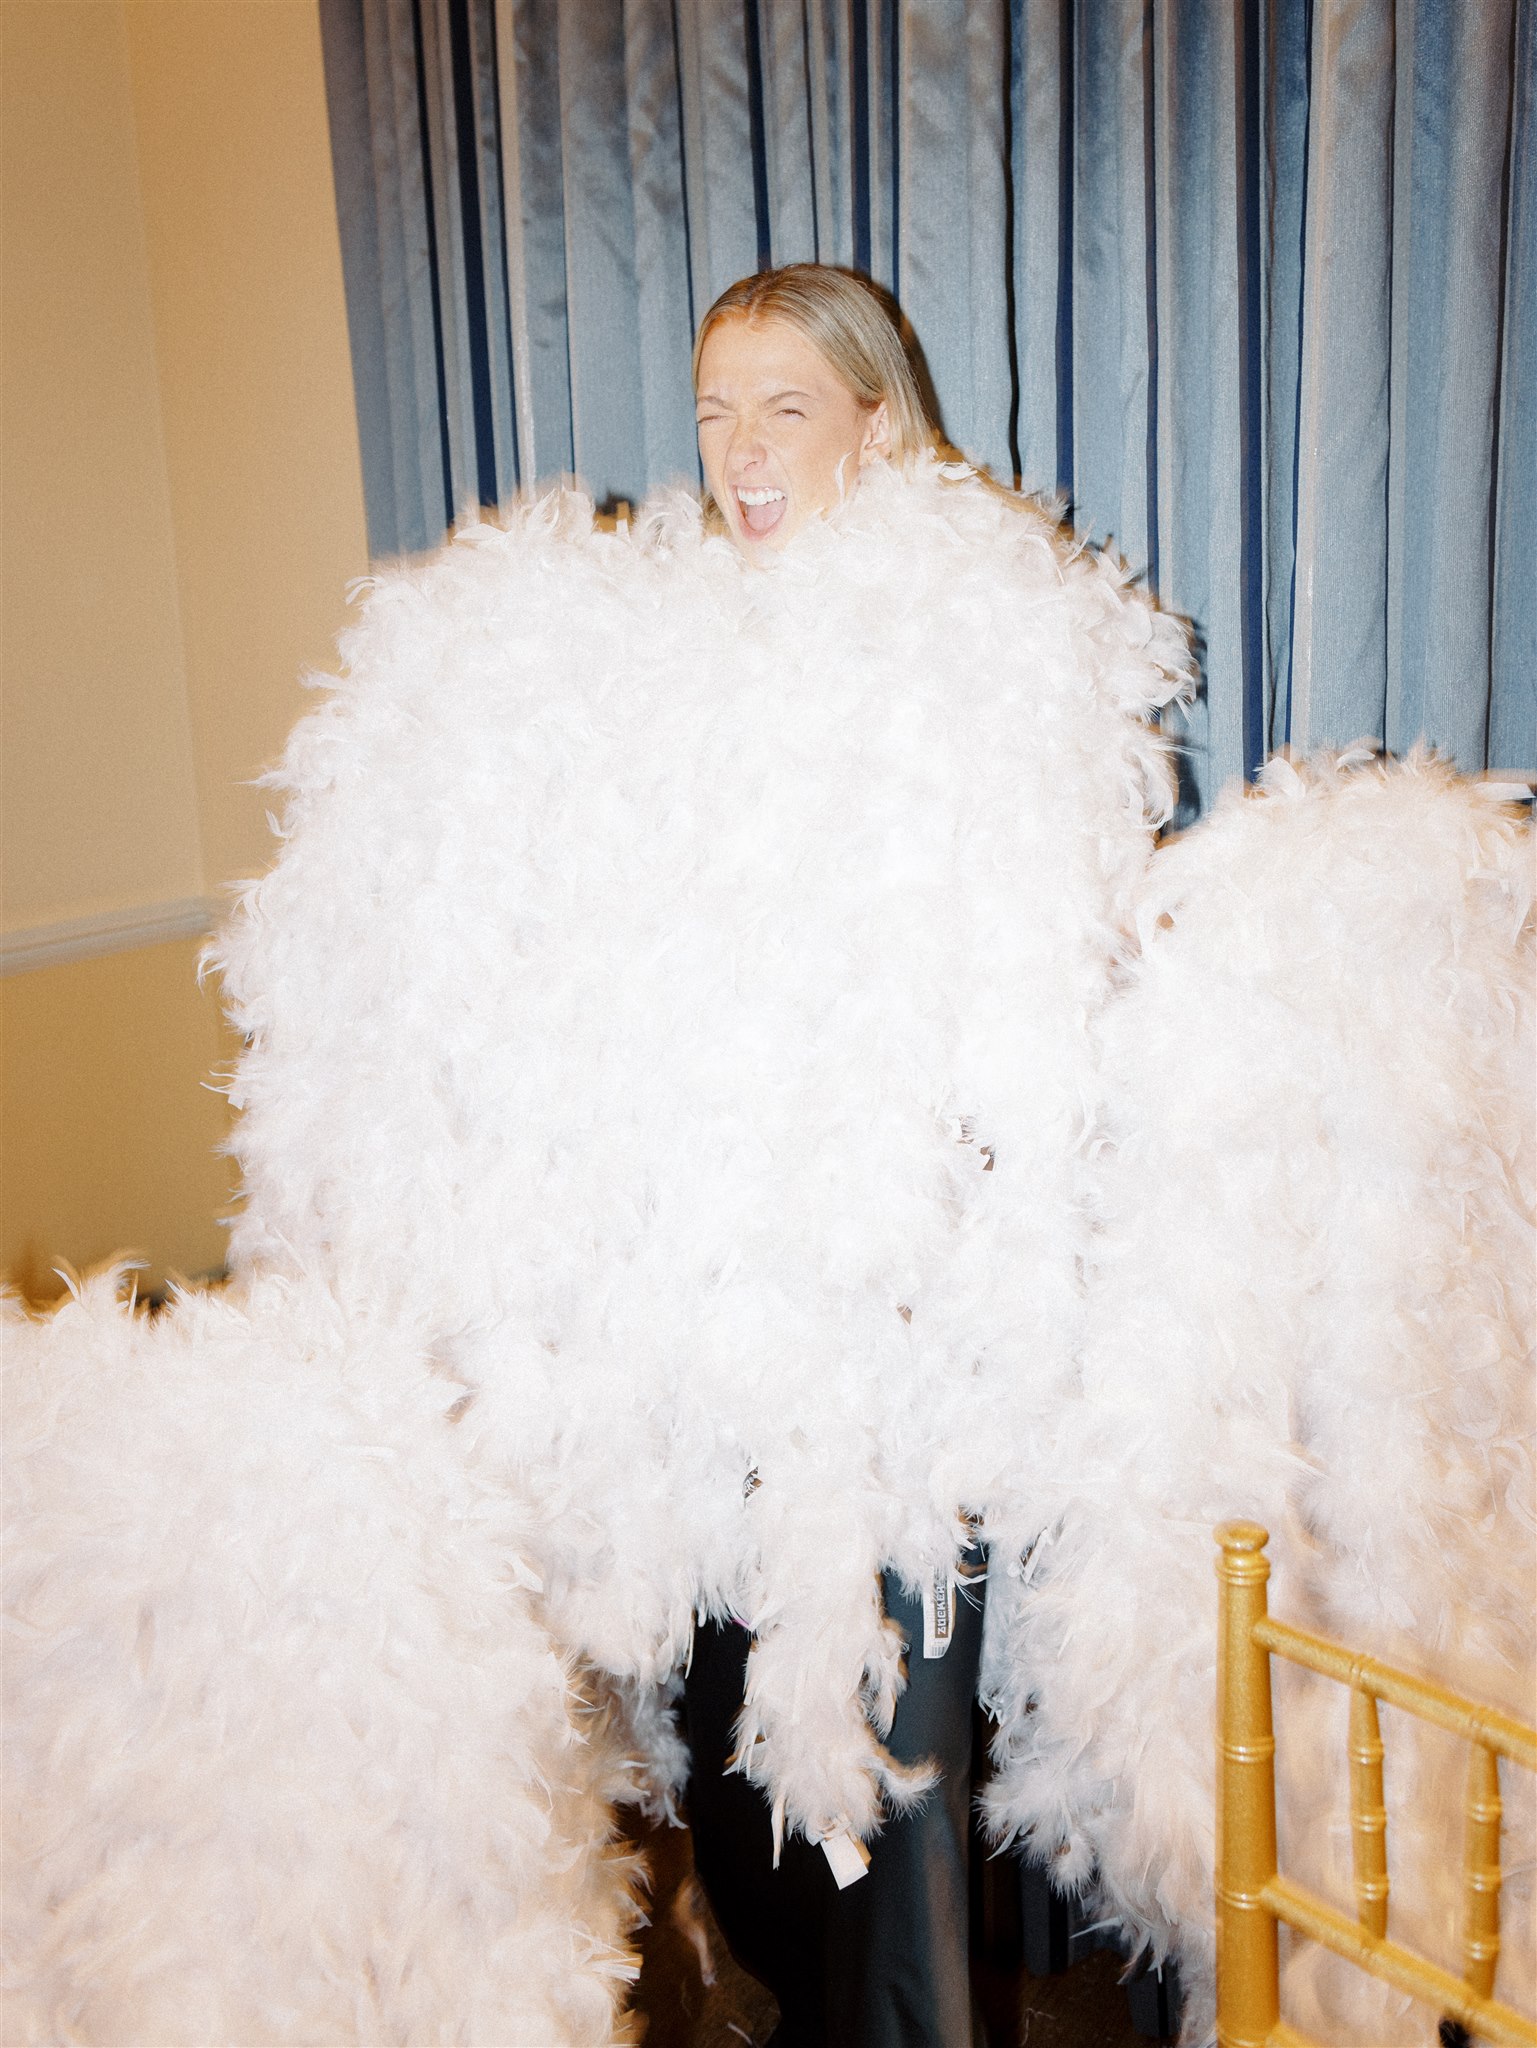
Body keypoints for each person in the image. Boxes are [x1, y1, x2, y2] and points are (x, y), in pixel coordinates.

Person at [680, 263, 986, 2048]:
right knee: (739, 1771)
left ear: (878, 419)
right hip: (704, 1319)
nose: (738, 451)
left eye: (783, 406)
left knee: (888, 1783)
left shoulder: (974, 658)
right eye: (714, 409)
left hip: (896, 1323)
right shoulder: (681, 662)